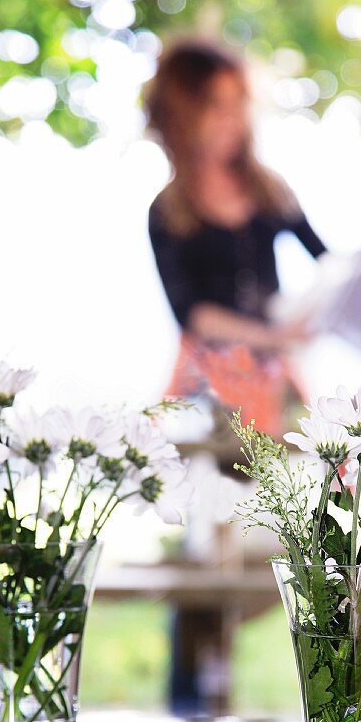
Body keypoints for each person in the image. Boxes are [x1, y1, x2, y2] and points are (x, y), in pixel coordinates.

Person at [145, 37, 328, 440]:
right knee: (212, 487)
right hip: (204, 384)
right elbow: (191, 313)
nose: (231, 118)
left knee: (314, 474)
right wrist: (272, 337)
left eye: (238, 102)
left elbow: (328, 264)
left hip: (276, 374)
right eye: (214, 105)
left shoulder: (270, 189)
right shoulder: (167, 210)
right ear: (180, 114)